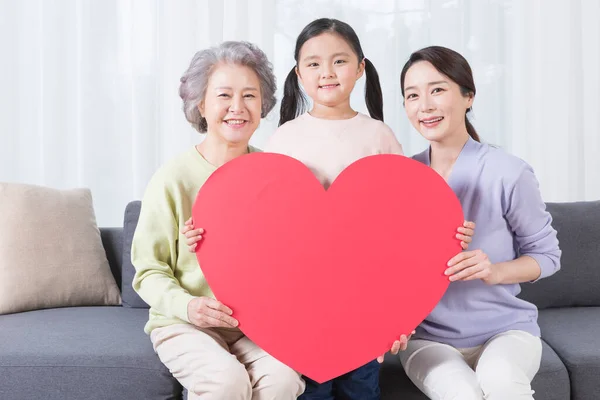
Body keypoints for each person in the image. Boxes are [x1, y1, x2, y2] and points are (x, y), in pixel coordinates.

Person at [183, 21, 474, 400]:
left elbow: (406, 220)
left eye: (339, 61)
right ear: (298, 73)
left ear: (360, 69)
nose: (327, 73)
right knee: (311, 391)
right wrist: (208, 233)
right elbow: (263, 225)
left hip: (364, 308)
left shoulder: (380, 136)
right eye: (314, 64)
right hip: (300, 308)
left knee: (360, 388)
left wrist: (445, 235)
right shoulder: (284, 138)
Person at [131, 41, 305, 400]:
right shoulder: (174, 178)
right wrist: (189, 306)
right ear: (202, 105)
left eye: (250, 96)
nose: (237, 108)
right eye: (224, 95)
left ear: (264, 104)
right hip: (186, 323)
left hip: (255, 324)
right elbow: (148, 271)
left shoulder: (275, 174)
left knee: (284, 379)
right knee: (226, 381)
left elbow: (292, 260)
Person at [397, 45, 562, 400]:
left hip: (506, 332)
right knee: (461, 393)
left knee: (502, 381)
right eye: (412, 95)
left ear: (468, 96)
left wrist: (494, 271)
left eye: (437, 89)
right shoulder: (402, 178)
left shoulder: (509, 172)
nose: (424, 105)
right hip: (429, 338)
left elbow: (548, 257)